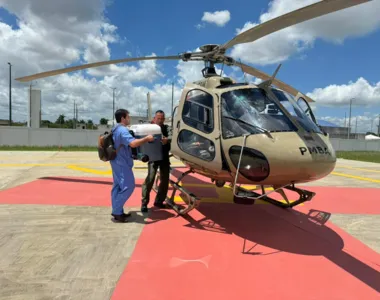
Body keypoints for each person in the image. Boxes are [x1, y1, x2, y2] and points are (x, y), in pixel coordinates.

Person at [110, 109, 154, 223]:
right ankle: (116, 210)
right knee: (129, 186)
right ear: (123, 118)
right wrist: (146, 139)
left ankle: (118, 211)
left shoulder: (114, 128)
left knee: (117, 186)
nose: (129, 119)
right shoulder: (123, 130)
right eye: (128, 117)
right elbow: (133, 143)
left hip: (115, 161)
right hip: (122, 162)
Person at [141, 110, 171, 212]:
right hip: (153, 157)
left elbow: (172, 136)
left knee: (165, 180)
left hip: (164, 157)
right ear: (154, 118)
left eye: (162, 118)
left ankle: (159, 201)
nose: (160, 120)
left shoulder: (167, 128)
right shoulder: (149, 128)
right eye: (158, 118)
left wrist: (167, 139)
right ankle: (144, 203)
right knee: (150, 179)